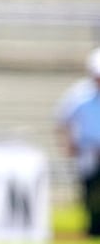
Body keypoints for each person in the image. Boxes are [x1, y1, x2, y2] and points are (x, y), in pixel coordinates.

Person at [55, 47, 100, 238]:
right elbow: (62, 119)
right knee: (89, 191)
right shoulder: (79, 94)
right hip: (89, 150)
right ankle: (93, 228)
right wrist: (68, 144)